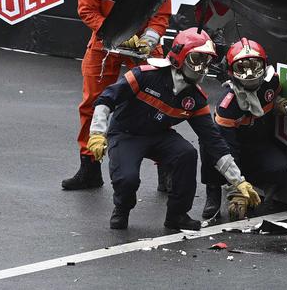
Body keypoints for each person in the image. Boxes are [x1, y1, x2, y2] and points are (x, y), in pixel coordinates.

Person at [85, 28, 261, 231]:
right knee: (127, 179)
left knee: (186, 154)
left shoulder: (196, 98)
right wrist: (97, 133)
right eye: (197, 59)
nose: (202, 68)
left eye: (206, 62)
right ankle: (122, 208)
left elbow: (213, 141)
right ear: (179, 56)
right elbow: (106, 98)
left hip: (159, 135)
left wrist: (238, 182)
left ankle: (177, 215)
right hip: (126, 134)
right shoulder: (144, 75)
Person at [62, 0, 172, 191]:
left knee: (158, 103)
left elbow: (161, 15)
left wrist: (148, 39)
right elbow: (87, 11)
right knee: (92, 104)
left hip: (143, 45)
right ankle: (89, 168)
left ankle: (165, 170)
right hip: (105, 42)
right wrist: (117, 33)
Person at [201, 38, 287, 222]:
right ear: (231, 72)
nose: (250, 73)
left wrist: (281, 103)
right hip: (230, 149)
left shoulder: (272, 82)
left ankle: (253, 186)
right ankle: (213, 191)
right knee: (209, 143)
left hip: (257, 144)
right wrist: (236, 190)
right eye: (242, 68)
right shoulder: (227, 107)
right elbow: (227, 151)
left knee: (282, 169)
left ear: (265, 65)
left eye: (255, 66)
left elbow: (270, 100)